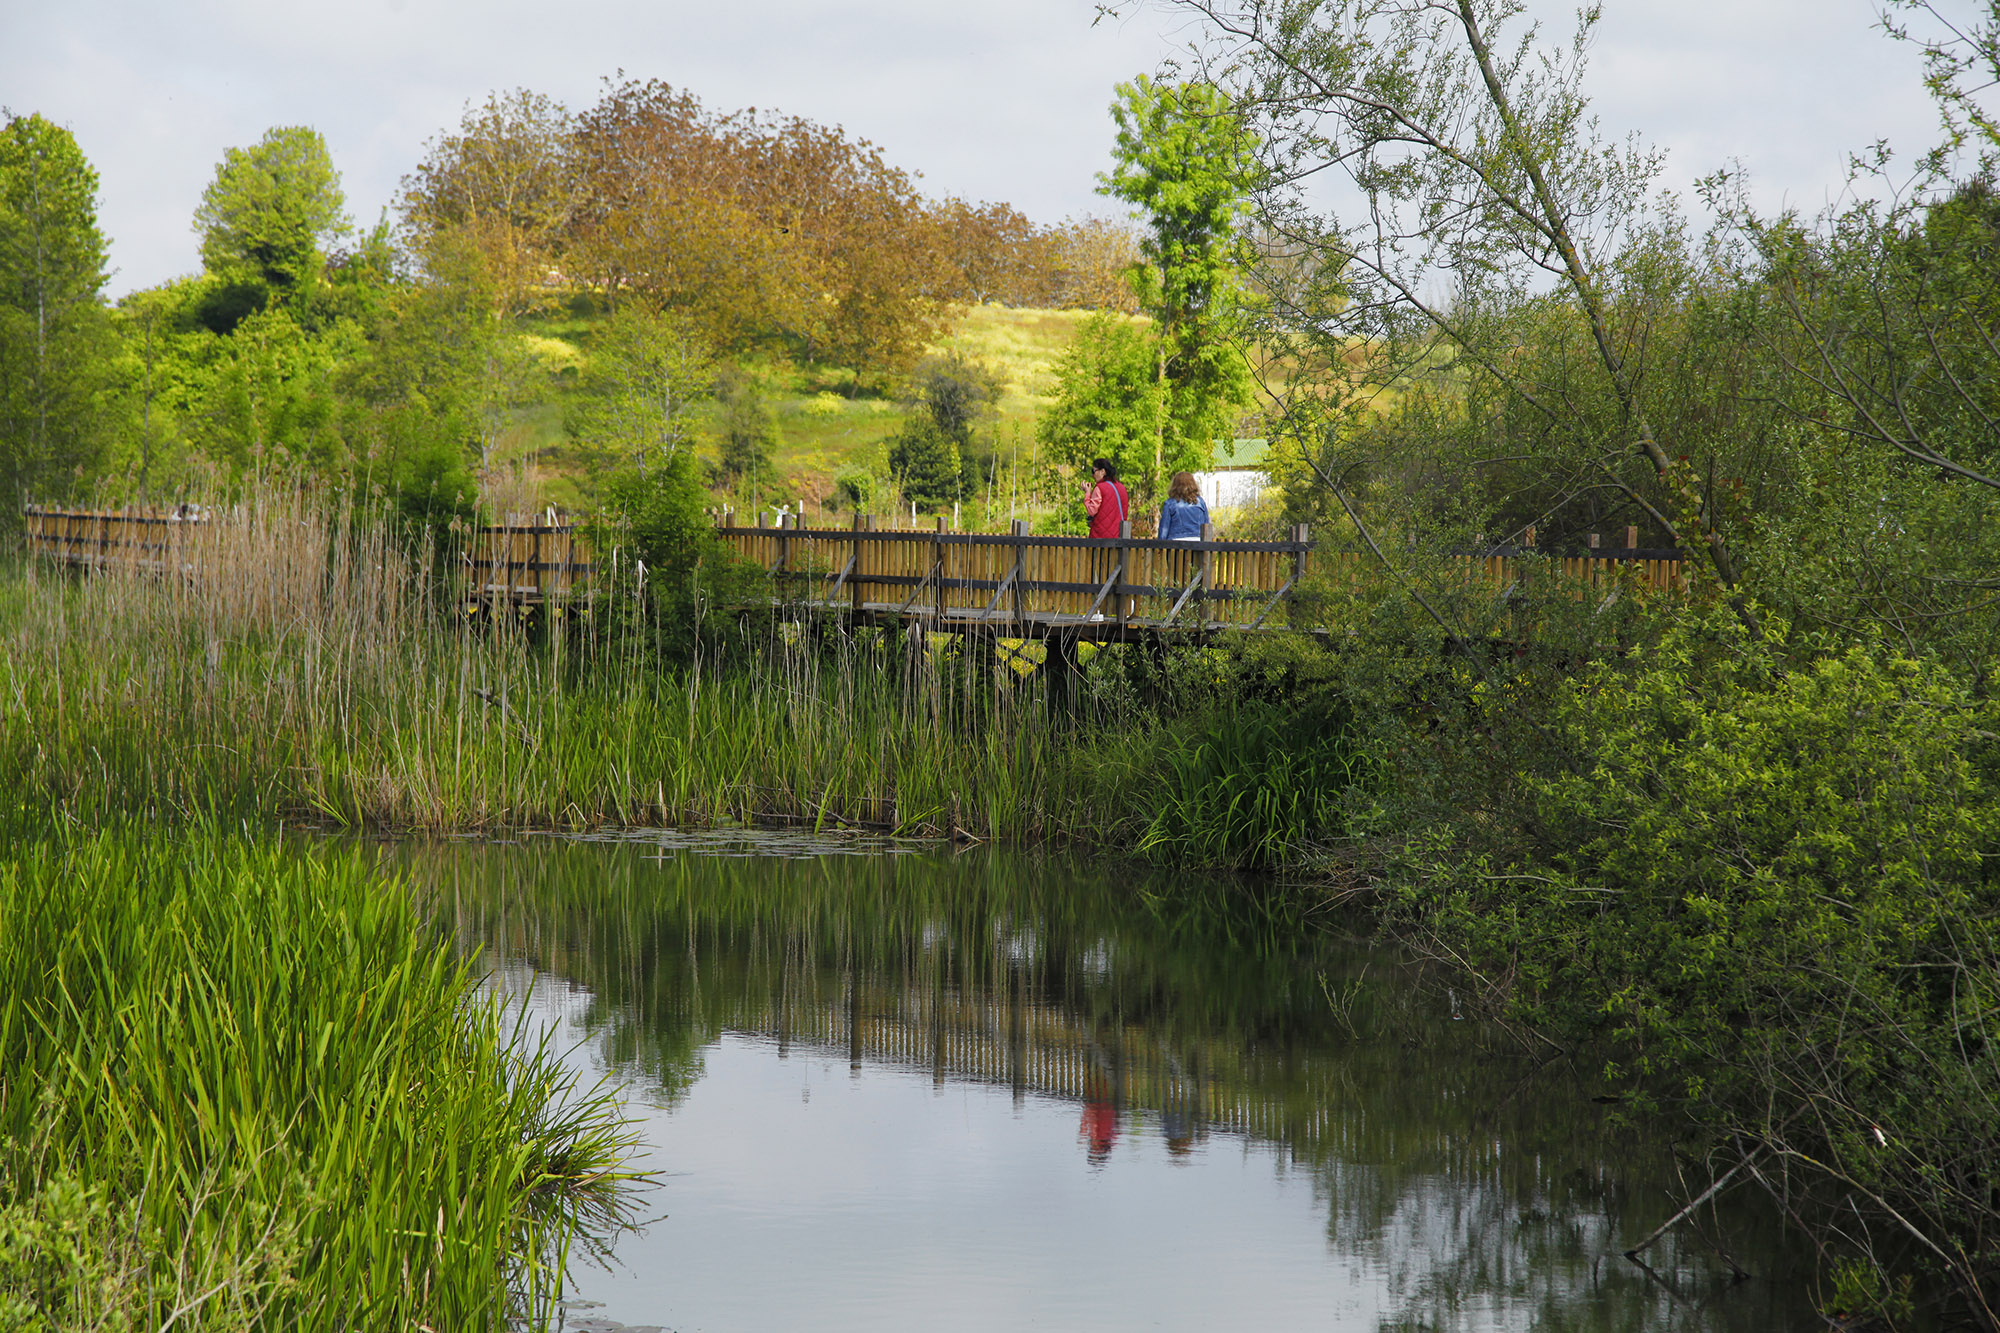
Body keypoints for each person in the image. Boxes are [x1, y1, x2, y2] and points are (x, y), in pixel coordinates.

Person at [1083, 457, 1129, 540]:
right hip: (1119, 537)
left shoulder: (1100, 488)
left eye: (1093, 471)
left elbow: (1091, 511)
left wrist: (1087, 494)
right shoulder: (1122, 488)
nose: (1092, 475)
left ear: (1102, 471)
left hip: (1100, 538)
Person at [1157, 471, 1210, 540]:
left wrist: (1160, 545)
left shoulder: (1170, 503)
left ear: (1175, 486)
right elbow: (1206, 525)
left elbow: (1164, 529)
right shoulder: (1200, 502)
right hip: (1198, 542)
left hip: (1176, 543)